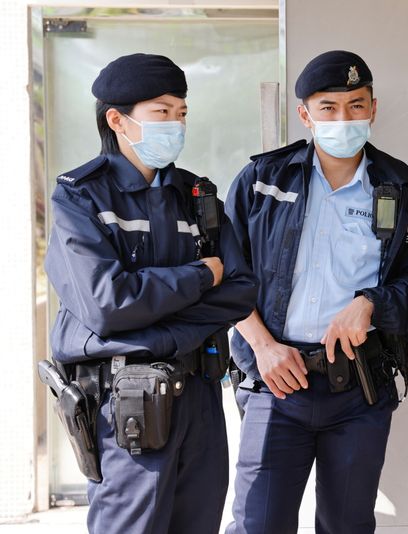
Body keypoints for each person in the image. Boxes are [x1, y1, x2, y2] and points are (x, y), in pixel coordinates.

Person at [224, 50, 408, 534]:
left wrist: (372, 303)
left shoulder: (407, 192)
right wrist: (263, 348)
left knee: (348, 524)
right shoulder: (262, 182)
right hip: (275, 382)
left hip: (358, 389)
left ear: (374, 108)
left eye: (355, 104)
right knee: (258, 524)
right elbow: (228, 275)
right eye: (328, 108)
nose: (343, 118)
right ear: (305, 114)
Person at [44, 53, 258, 533]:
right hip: (129, 400)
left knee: (198, 522)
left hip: (201, 396)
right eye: (161, 112)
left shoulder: (198, 197)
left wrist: (156, 318)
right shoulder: (81, 198)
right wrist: (201, 277)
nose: (176, 124)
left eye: (181, 113)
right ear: (117, 120)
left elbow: (241, 291)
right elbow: (108, 304)